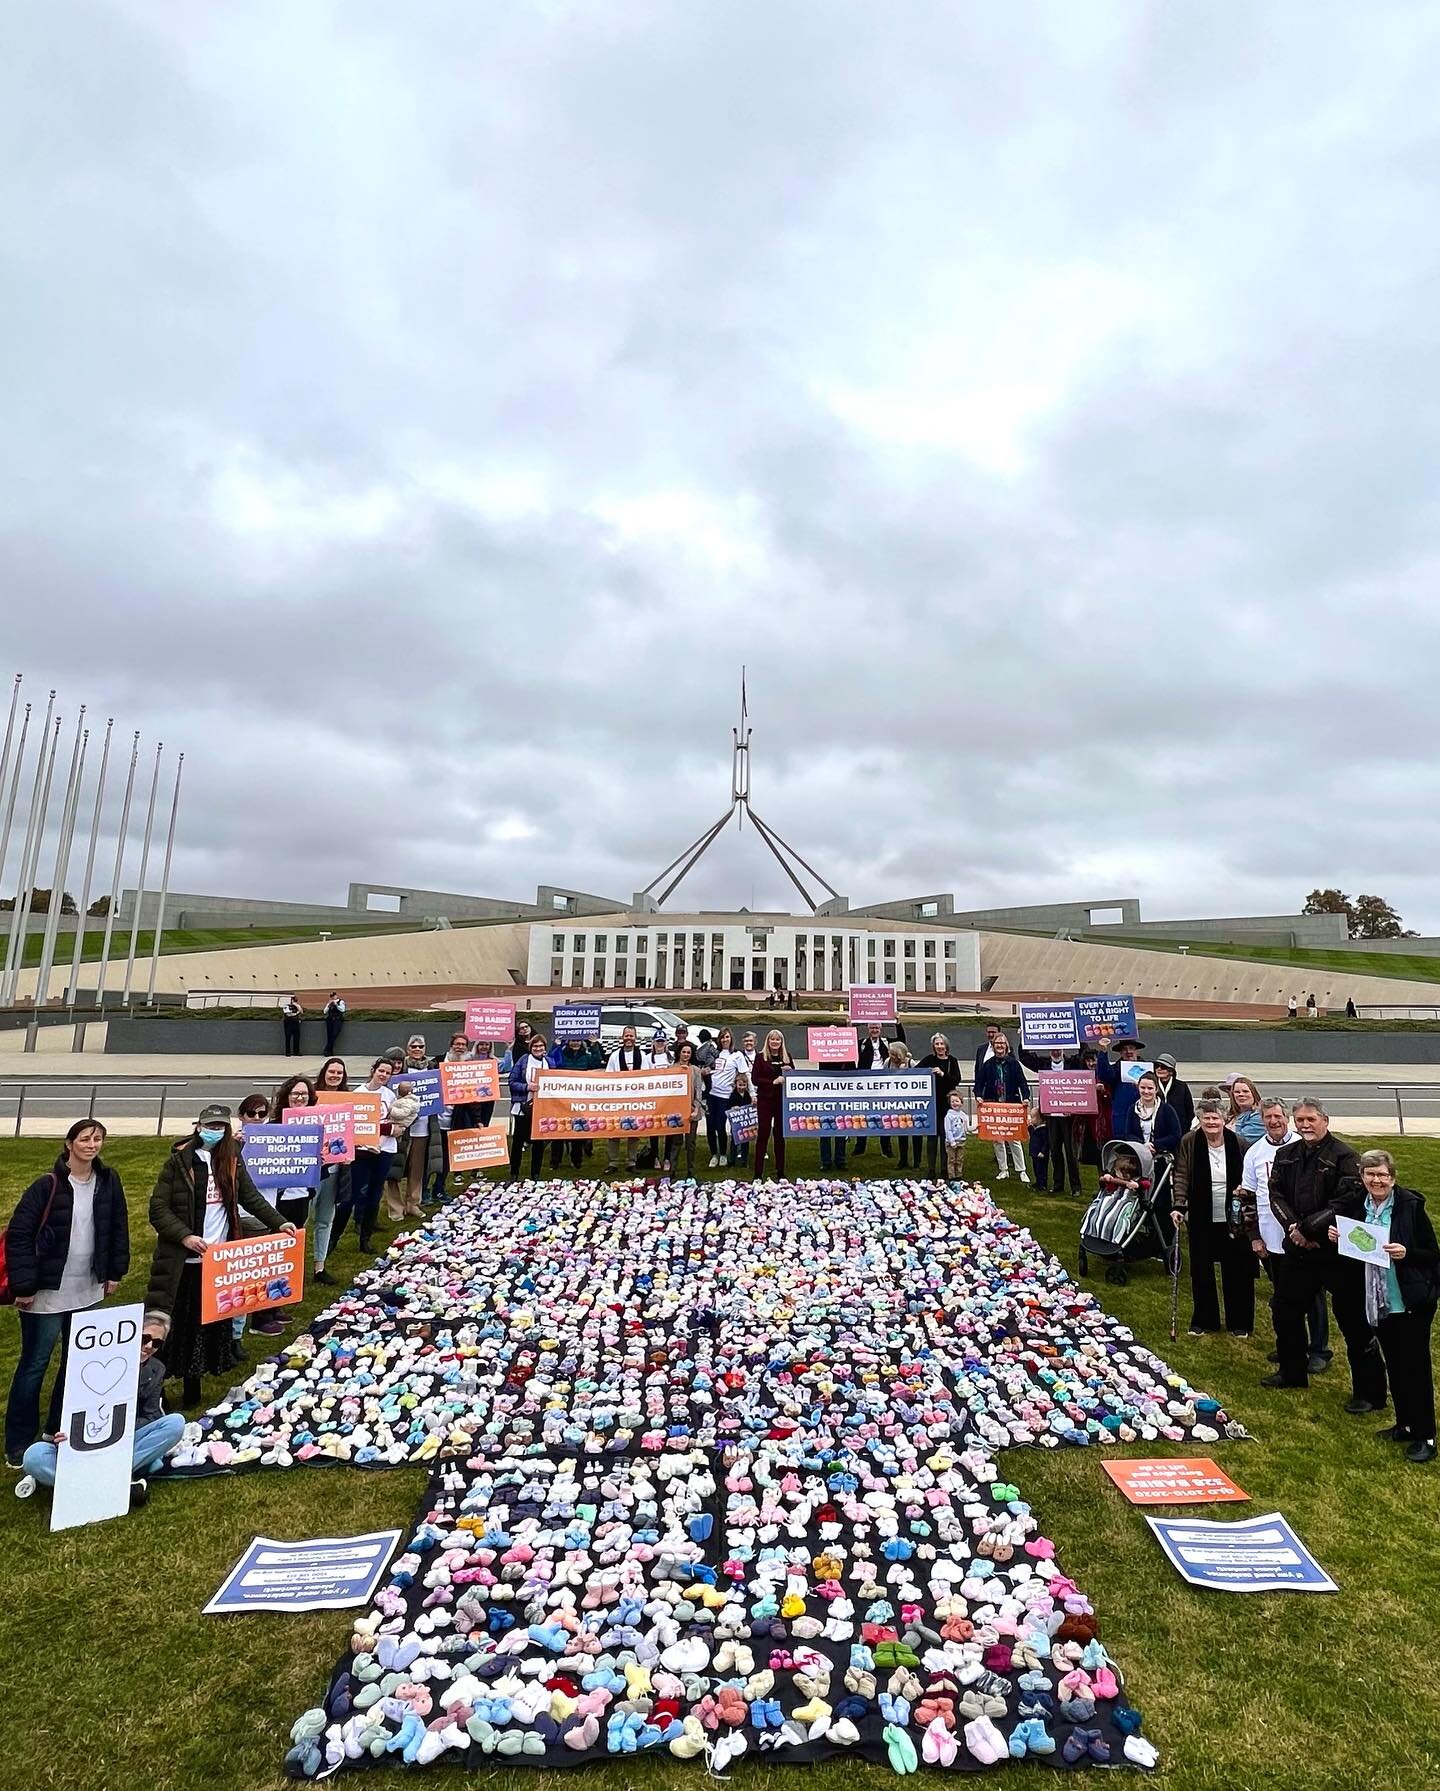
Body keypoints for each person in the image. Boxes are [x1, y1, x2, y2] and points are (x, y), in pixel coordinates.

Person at [146, 1104, 294, 1408]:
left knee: (206, 1326)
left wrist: (279, 1221)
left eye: (219, 1127)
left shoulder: (231, 1160)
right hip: (182, 1262)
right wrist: (185, 1236)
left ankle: (193, 1388)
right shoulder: (178, 1162)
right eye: (209, 1126)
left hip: (218, 1261)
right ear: (198, 1127)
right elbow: (158, 1209)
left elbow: (249, 1196)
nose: (214, 1132)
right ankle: (155, 1388)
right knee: (171, 1327)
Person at [4, 1120, 129, 1469]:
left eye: (98, 1139)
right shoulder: (47, 1185)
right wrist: (25, 1287)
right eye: (85, 1139)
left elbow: (118, 1225)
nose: (92, 1145)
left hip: (88, 1289)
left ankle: (55, 1431)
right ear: (69, 1144)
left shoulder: (108, 1180)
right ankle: (18, 1443)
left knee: (77, 1365)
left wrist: (115, 1272)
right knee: (34, 1365)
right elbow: (18, 1236)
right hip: (45, 1293)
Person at [1262, 1098, 1386, 1409]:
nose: (1305, 1125)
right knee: (1285, 1310)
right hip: (1298, 1248)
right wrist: (1294, 1228)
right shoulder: (1285, 1154)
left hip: (1336, 1250)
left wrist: (1309, 1230)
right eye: (1300, 1120)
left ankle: (1369, 1393)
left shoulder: (1345, 1156)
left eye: (1310, 1119)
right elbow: (1274, 1193)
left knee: (1354, 1321)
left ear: (1324, 1120)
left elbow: (1345, 1200)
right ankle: (1292, 1372)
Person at [1327, 1149, 1438, 1464]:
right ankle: (1404, 1424)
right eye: (1370, 1174)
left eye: (1382, 1175)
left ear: (1393, 1177)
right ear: (1361, 1176)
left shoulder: (1410, 1207)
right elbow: (1354, 1246)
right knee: (1396, 1366)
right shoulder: (1356, 1206)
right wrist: (1338, 1236)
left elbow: (1432, 1253)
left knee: (1416, 1369)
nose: (1376, 1180)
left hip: (1409, 1300)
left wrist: (1406, 1252)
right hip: (1377, 1302)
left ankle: (1425, 1435)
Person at [15, 1308, 185, 1507]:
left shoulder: (156, 1370)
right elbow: (69, 1408)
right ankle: (115, 1481)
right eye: (144, 1338)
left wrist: (119, 1428)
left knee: (175, 1423)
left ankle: (89, 1482)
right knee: (34, 1457)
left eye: (156, 1343)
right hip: (81, 1441)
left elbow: (151, 1415)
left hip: (124, 1439)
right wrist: (66, 1433)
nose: (148, 1346)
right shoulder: (93, 1360)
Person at [1238, 1098, 1330, 1375]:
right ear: (1262, 1120)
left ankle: (1318, 1349)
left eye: (1278, 1116)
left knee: (1312, 1295)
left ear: (1286, 1118)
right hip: (1271, 1235)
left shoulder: (1301, 1148)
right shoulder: (1254, 1152)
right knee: (1282, 1296)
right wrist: (1254, 1236)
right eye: (1268, 1117)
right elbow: (1247, 1198)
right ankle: (1290, 1343)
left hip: (1303, 1235)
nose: (1274, 1121)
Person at [1172, 1091, 1255, 1335]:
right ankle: (1204, 1321)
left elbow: (1248, 1176)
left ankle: (1239, 1323)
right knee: (1201, 1269)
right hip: (1201, 1212)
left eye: (1215, 1119)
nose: (1211, 1123)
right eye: (1206, 1118)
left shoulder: (1238, 1142)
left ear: (1223, 1120)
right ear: (1200, 1120)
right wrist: (1179, 1205)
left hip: (1233, 1214)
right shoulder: (1190, 1141)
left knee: (1235, 1269)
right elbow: (1182, 1174)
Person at [235, 1092, 287, 1341]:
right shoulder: (232, 1142)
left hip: (268, 1209)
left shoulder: (272, 1139)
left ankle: (263, 1314)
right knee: (249, 1271)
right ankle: (249, 1322)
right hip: (243, 1213)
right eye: (251, 1113)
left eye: (262, 1113)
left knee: (266, 1267)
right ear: (241, 1116)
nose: (256, 1118)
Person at [1020, 1042, 1084, 1196]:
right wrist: (1024, 1037)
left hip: (1069, 1116)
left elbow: (1084, 1053)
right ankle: (1058, 1184)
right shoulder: (1043, 1064)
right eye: (1053, 1049)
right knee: (1055, 1152)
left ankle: (1076, 1186)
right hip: (1051, 1116)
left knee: (1070, 1153)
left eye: (1059, 1048)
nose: (1056, 1051)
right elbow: (1025, 1057)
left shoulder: (1072, 1063)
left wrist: (1078, 1036)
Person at [348, 1058, 397, 1251]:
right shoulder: (358, 1094)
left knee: (376, 1191)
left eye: (387, 1073)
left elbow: (396, 1124)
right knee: (358, 1190)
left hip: (385, 1150)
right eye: (381, 1071)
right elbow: (354, 1124)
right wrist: (382, 1130)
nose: (383, 1075)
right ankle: (356, 1222)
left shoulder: (390, 1096)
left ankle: (366, 1237)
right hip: (362, 1150)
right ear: (373, 1071)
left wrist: (382, 1136)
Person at [311, 1056, 352, 1282]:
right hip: (309, 1169)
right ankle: (292, 1263)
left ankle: (319, 1266)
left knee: (325, 1218)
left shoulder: (348, 1101)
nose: (335, 1075)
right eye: (331, 1071)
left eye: (339, 1072)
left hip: (335, 1168)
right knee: (300, 1221)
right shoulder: (310, 1098)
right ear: (324, 1072)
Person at [975, 1033, 1030, 1182]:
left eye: (1002, 1043)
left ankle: (1021, 1170)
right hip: (994, 1106)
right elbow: (979, 1083)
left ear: (1007, 1046)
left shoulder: (1014, 1064)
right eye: (997, 1043)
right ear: (993, 1046)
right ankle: (1003, 1169)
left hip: (1011, 1105)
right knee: (997, 1139)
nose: (999, 1046)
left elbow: (1022, 1083)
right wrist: (978, 1096)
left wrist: (1025, 1097)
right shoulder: (988, 1064)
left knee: (1014, 1139)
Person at [856, 1020, 907, 1160]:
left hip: (884, 1083)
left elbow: (901, 1042)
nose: (874, 1030)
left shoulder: (886, 1042)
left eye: (877, 1027)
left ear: (881, 1028)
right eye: (872, 1027)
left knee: (885, 1115)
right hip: (865, 1083)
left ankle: (886, 1148)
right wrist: (849, 1025)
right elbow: (848, 1042)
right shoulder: (862, 1043)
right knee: (863, 1114)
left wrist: (898, 1023)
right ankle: (859, 1147)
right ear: (867, 1028)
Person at [396, 1035, 435, 1218]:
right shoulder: (400, 1067)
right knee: (394, 1169)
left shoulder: (432, 1067)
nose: (418, 1049)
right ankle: (396, 1208)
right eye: (414, 1046)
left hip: (423, 1127)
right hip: (400, 1127)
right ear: (408, 1048)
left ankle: (413, 1203)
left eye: (421, 1046)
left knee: (417, 1168)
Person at [507, 1031, 550, 1180]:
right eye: (535, 1046)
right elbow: (511, 1082)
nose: (538, 1048)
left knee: (539, 1142)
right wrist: (527, 1087)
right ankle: (514, 1173)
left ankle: (536, 1173)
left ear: (545, 1047)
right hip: (523, 1106)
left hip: (542, 1108)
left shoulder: (549, 1062)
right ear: (531, 1047)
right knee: (518, 1141)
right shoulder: (524, 1060)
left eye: (541, 1046)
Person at [918, 1033, 963, 1177]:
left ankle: (945, 1168)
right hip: (932, 1104)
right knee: (932, 1138)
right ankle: (931, 1168)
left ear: (946, 1046)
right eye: (937, 1044)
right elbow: (916, 1072)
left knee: (946, 1137)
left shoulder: (952, 1061)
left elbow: (956, 1079)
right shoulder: (929, 1060)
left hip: (947, 1106)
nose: (939, 1047)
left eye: (941, 1044)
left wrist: (943, 1074)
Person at [752, 1029, 793, 1180]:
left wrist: (790, 1072)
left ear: (781, 1042)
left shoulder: (787, 1057)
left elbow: (794, 1078)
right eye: (772, 1039)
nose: (775, 1042)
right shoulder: (760, 1057)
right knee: (763, 1135)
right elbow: (755, 1079)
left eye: (778, 1040)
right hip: (765, 1099)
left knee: (779, 1136)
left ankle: (780, 1171)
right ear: (767, 1041)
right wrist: (772, 1082)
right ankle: (758, 1173)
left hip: (781, 1101)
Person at [604, 1025, 645, 1174]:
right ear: (622, 1037)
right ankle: (613, 1162)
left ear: (635, 1037)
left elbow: (648, 1076)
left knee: (633, 1131)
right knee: (614, 1131)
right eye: (626, 1036)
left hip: (635, 1100)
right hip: (618, 1100)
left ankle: (631, 1161)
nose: (629, 1038)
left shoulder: (642, 1056)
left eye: (631, 1036)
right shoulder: (615, 1055)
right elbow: (608, 1076)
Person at [1120, 1071, 1182, 1154]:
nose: (1146, 1091)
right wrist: (1143, 1145)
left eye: (1150, 1088)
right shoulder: (1132, 1109)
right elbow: (1128, 1134)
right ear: (1138, 1088)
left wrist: (1154, 1145)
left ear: (1156, 1089)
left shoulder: (1167, 1109)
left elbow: (1175, 1135)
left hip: (1162, 1155)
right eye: (1142, 1087)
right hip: (1138, 1155)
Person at [705, 1028, 742, 1167]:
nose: (724, 1040)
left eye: (727, 1037)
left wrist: (751, 1092)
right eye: (722, 1037)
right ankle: (714, 1154)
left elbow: (744, 1074)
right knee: (710, 1127)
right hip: (711, 1095)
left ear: (731, 1038)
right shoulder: (715, 1054)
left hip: (725, 1096)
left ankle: (723, 1154)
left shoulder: (737, 1055)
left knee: (720, 1126)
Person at [1101, 1036, 1148, 1140]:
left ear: (1137, 1051)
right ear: (1120, 1053)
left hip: (1143, 1117)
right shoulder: (1115, 1070)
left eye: (1131, 1048)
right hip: (1122, 1119)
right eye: (1124, 1049)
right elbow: (1105, 1074)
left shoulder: (1148, 1070)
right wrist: (1103, 1050)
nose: (1128, 1052)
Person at [672, 1039, 704, 1178]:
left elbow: (699, 1091)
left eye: (688, 1053)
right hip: (676, 1112)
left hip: (692, 1110)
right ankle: (672, 1170)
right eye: (683, 1052)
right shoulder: (671, 1069)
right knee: (676, 1141)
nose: (685, 1055)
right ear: (679, 1053)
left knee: (690, 1143)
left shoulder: (695, 1070)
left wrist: (696, 1108)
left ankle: (690, 1171)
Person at [1154, 1054, 1195, 1134]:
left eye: (1163, 1067)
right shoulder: (1152, 1086)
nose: (1159, 1069)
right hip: (1157, 1132)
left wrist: (1185, 1131)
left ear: (1171, 1071)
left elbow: (1189, 1111)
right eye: (1157, 1066)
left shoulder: (1182, 1087)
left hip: (1179, 1131)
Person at [1225, 1075, 1265, 1144]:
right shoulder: (1231, 1115)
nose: (1241, 1094)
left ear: (1253, 1093)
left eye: (1245, 1091)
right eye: (1237, 1092)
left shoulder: (1259, 1116)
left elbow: (1240, 1141)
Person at [943, 1089, 969, 1179]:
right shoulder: (949, 1116)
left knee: (959, 1159)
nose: (955, 1103)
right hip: (951, 1142)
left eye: (957, 1101)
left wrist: (975, 1128)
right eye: (952, 1101)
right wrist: (952, 1141)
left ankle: (959, 1175)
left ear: (961, 1102)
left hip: (961, 1141)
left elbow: (967, 1128)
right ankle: (951, 1176)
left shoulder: (963, 1115)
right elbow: (948, 1130)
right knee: (952, 1159)